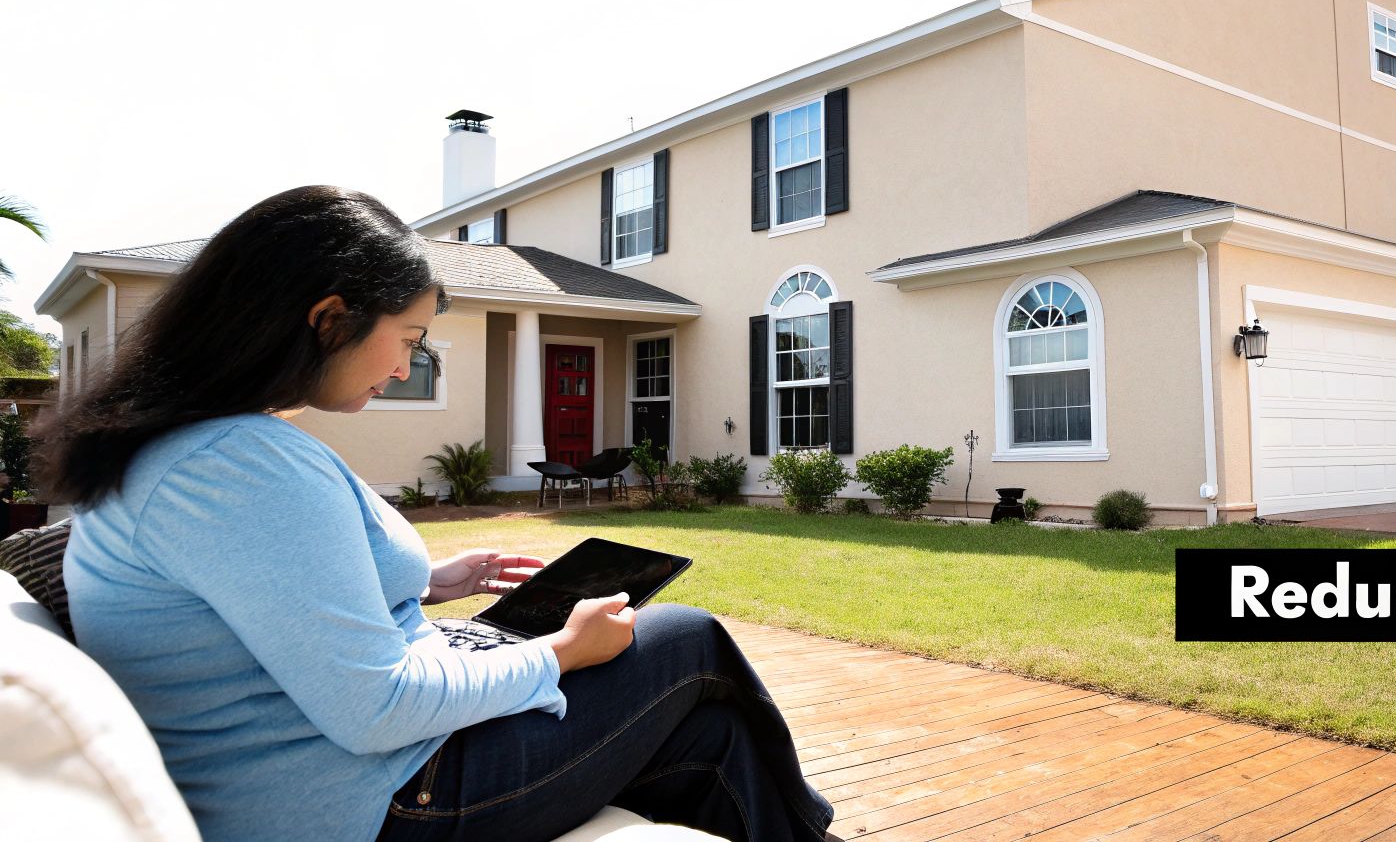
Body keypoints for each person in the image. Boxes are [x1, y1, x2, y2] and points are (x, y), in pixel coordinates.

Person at [44, 186, 835, 842]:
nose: (404, 365)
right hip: (367, 802)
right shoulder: (231, 465)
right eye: (410, 338)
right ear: (328, 319)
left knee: (710, 741)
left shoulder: (194, 448)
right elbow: (375, 708)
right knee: (688, 637)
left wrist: (428, 586)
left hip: (339, 775)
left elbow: (261, 609)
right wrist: (560, 652)